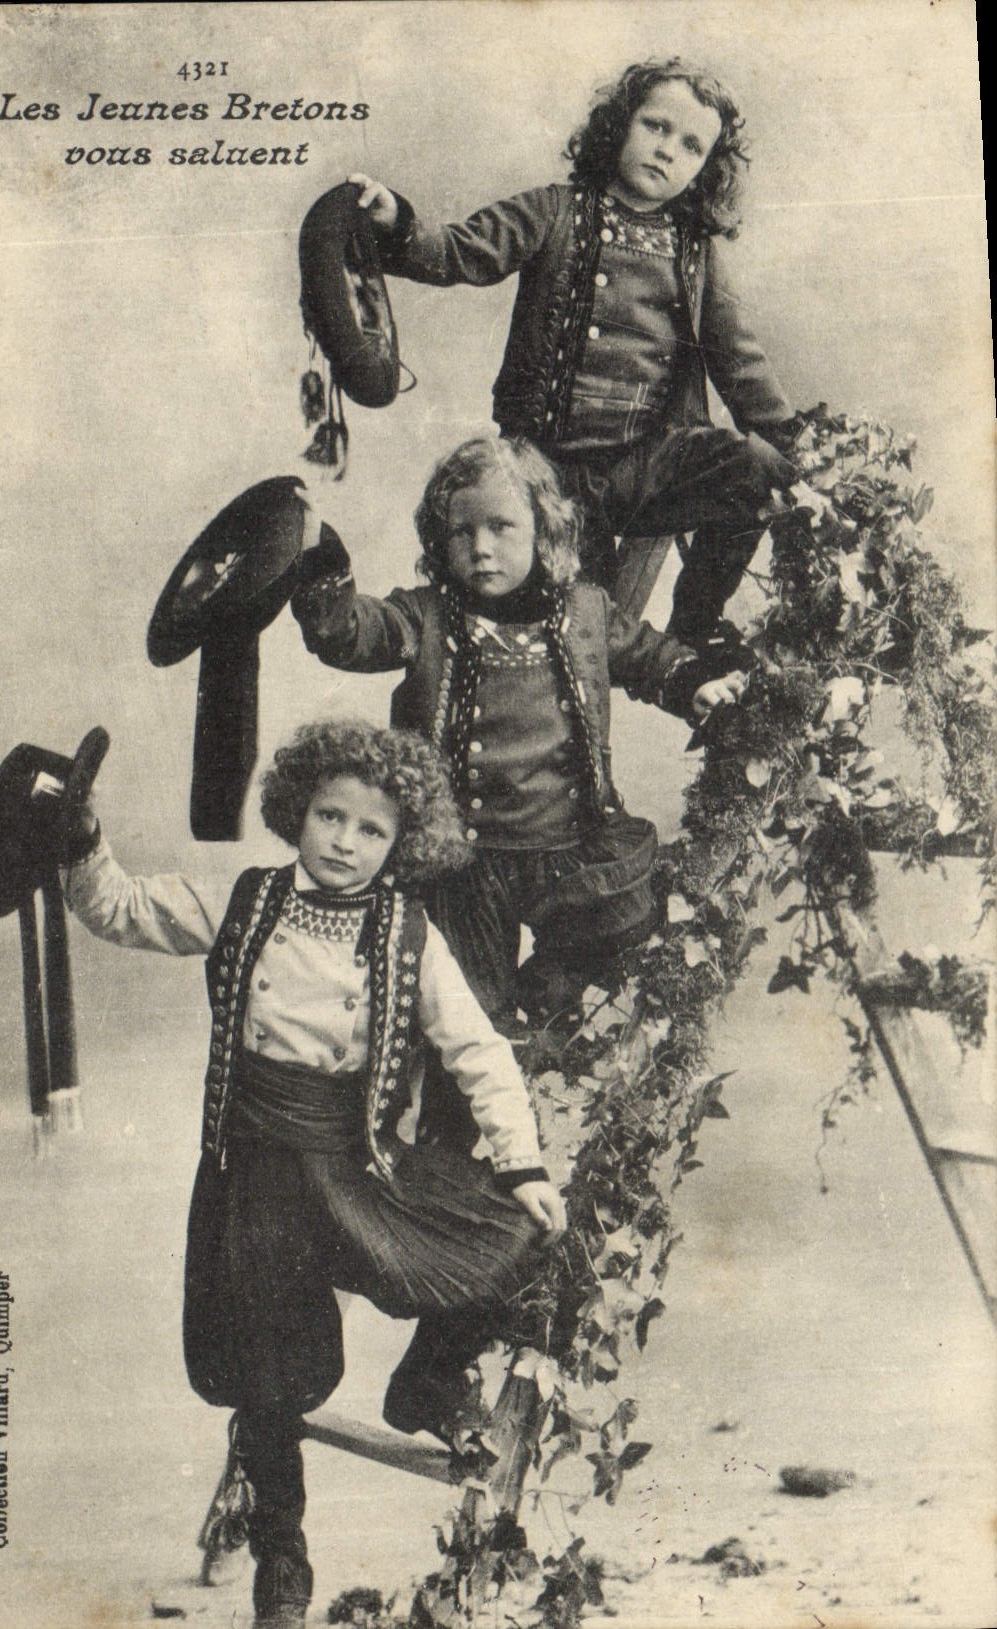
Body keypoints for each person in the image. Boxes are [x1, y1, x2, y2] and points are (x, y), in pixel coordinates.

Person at [61, 719, 566, 1629]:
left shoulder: (408, 932)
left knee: (524, 1236)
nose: (344, 841)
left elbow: (476, 1049)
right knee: (267, 1377)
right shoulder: (247, 901)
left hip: (355, 1163)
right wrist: (84, 842)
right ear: (296, 811)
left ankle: (423, 1383)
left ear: (402, 843)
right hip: (253, 1175)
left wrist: (521, 1160)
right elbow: (123, 909)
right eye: (330, 816)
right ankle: (281, 1565)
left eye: (371, 830)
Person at [291, 436, 747, 1028]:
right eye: (462, 532)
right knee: (467, 1014)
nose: (481, 548)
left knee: (624, 925)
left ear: (544, 530)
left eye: (502, 527)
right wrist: (320, 574)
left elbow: (646, 654)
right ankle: (495, 1059)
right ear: (440, 538)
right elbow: (357, 632)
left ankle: (549, 1011)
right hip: (464, 864)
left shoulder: (584, 610)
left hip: (571, 844)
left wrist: (692, 683)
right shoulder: (423, 615)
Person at [347, 56, 802, 642]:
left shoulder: (698, 253)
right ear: (619, 125)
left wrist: (798, 451)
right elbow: (464, 250)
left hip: (649, 462)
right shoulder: (552, 211)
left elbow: (739, 361)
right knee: (583, 628)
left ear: (705, 169)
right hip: (548, 470)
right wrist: (398, 225)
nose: (667, 150)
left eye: (691, 146)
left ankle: (696, 627)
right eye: (656, 127)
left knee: (763, 473)